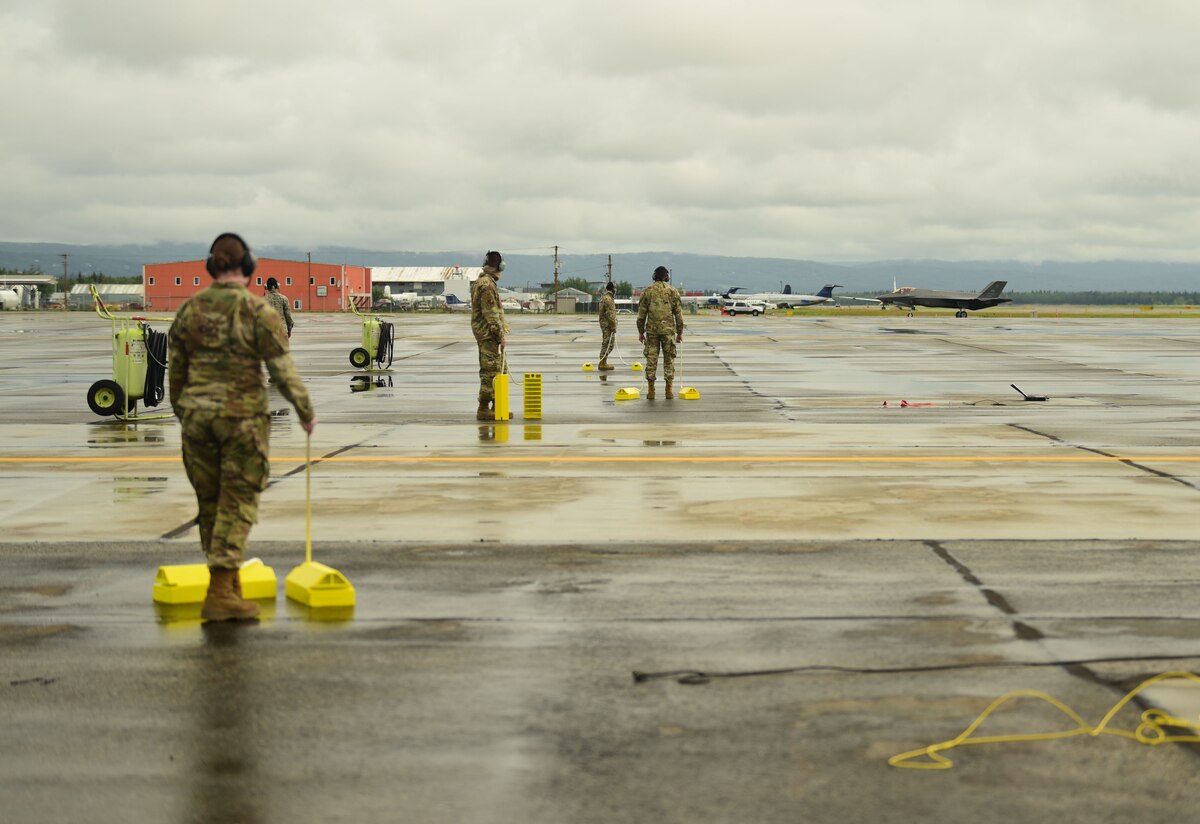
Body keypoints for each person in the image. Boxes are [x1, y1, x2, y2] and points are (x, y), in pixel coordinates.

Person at [169, 233, 317, 622]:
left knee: (210, 503)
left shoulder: (189, 311)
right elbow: (281, 368)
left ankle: (228, 582)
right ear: (248, 268)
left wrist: (184, 413)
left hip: (197, 421)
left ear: (210, 267)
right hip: (240, 421)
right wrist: (304, 410)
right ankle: (219, 590)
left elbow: (176, 374)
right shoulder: (257, 311)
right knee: (238, 501)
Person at [471, 250, 510, 420]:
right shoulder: (486, 285)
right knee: (490, 373)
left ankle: (498, 407)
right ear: (499, 267)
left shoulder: (486, 282)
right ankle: (484, 407)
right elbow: (491, 314)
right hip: (489, 336)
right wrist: (500, 335)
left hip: (489, 335)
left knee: (500, 371)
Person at [636, 265, 684, 399]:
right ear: (666, 277)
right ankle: (668, 390)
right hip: (668, 332)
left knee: (651, 360)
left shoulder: (647, 292)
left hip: (652, 332)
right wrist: (679, 333)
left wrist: (641, 332)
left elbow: (641, 316)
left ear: (654, 276)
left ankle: (651, 391)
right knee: (669, 359)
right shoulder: (673, 291)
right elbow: (679, 315)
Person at [597, 281, 617, 370]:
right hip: (607, 324)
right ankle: (602, 362)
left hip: (604, 323)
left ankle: (603, 361)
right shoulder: (608, 299)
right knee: (608, 343)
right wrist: (613, 325)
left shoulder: (604, 297)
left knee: (607, 342)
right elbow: (610, 314)